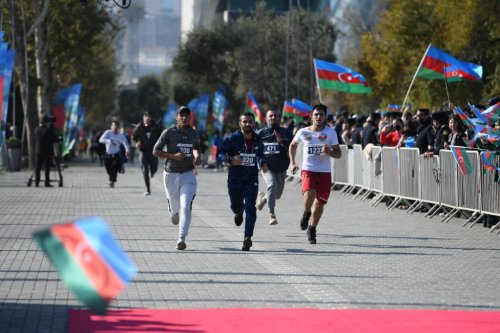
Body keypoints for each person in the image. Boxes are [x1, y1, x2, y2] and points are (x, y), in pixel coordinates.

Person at [289, 103, 341, 244]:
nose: (318, 117)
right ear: (311, 116)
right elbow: (293, 145)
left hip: (324, 172)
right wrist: (293, 162)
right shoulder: (303, 132)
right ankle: (306, 213)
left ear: (325, 117)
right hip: (308, 169)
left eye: (321, 115)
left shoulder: (331, 132)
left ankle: (312, 229)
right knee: (310, 193)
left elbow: (338, 153)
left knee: (319, 204)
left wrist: (329, 152)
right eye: (316, 114)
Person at [218, 112, 268, 251]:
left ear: (253, 123)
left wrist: (263, 163)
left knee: (251, 207)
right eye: (245, 122)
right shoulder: (232, 138)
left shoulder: (258, 139)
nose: (248, 124)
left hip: (251, 179)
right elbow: (220, 153)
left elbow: (261, 155)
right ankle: (239, 211)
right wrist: (230, 160)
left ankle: (248, 237)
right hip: (235, 179)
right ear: (240, 123)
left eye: (250, 122)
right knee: (235, 205)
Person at [153, 106, 201, 250]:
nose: (184, 118)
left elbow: (196, 147)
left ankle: (181, 238)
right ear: (177, 117)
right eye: (182, 115)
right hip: (171, 173)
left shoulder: (194, 133)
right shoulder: (168, 132)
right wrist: (172, 156)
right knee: (175, 208)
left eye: (187, 115)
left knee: (186, 206)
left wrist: (197, 156)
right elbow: (155, 151)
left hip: (188, 173)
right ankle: (173, 212)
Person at [256, 110, 292, 225]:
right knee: (272, 185)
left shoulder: (285, 132)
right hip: (267, 167)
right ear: (266, 119)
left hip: (281, 168)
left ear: (278, 118)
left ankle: (263, 199)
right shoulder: (260, 133)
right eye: (270, 116)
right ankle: (272, 215)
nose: (273, 117)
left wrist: (281, 141)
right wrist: (261, 162)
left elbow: (292, 147)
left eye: (275, 115)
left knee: (277, 195)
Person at [133, 111, 164, 196]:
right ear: (143, 117)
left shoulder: (157, 127)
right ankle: (148, 189)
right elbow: (133, 138)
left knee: (154, 168)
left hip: (154, 152)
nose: (147, 118)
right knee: (145, 171)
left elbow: (163, 136)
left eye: (149, 116)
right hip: (143, 152)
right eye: (145, 116)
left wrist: (161, 147)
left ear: (151, 118)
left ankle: (153, 172)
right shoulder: (138, 128)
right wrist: (136, 144)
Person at [99, 121, 130, 188]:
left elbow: (125, 143)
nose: (115, 127)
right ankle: (114, 174)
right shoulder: (108, 132)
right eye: (113, 125)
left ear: (118, 127)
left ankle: (112, 181)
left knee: (114, 167)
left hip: (116, 154)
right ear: (111, 126)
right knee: (108, 169)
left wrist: (127, 151)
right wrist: (109, 141)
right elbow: (101, 140)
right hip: (107, 154)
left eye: (116, 125)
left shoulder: (121, 135)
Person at [34, 115, 58, 187]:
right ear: (47, 122)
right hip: (47, 151)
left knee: (38, 167)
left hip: (38, 151)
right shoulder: (48, 131)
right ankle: (46, 182)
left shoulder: (36, 130)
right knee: (47, 167)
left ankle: (37, 182)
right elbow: (55, 139)